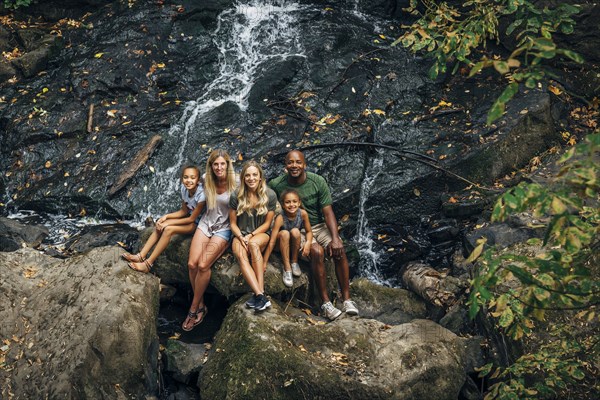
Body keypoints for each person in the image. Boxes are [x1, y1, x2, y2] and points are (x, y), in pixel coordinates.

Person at [269, 150, 359, 320]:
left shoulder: (317, 181)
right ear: (285, 166)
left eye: (298, 162)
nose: (294, 166)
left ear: (304, 164)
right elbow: (263, 199)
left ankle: (347, 299)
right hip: (297, 228)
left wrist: (335, 238)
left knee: (339, 249)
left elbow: (328, 212)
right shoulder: (277, 184)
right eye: (290, 162)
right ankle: (325, 304)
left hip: (318, 226)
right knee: (317, 252)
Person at [183, 150, 237, 331]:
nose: (219, 167)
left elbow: (256, 190)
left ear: (228, 165)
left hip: (224, 228)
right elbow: (189, 191)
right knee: (192, 264)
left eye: (222, 164)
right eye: (216, 164)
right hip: (206, 223)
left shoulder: (236, 182)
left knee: (203, 265)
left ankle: (193, 307)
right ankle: (201, 305)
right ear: (211, 166)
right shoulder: (206, 178)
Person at [122, 165, 204, 273]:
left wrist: (168, 224)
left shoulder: (202, 195)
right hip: (189, 219)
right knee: (161, 225)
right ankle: (140, 256)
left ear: (198, 180)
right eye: (186, 177)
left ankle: (148, 264)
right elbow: (184, 212)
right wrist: (166, 217)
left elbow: (191, 219)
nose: (189, 180)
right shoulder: (184, 188)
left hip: (199, 224)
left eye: (192, 178)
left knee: (168, 229)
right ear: (182, 178)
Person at [229, 160, 278, 312]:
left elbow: (267, 224)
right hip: (240, 234)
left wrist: (250, 235)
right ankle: (260, 296)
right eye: (248, 175)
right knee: (240, 255)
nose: (251, 178)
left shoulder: (270, 194)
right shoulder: (236, 195)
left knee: (253, 245)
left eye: (254, 175)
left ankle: (260, 292)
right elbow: (232, 223)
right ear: (243, 178)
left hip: (260, 233)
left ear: (260, 177)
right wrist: (241, 236)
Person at [263, 189, 313, 288]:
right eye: (288, 202)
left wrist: (308, 243)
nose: (291, 205)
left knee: (295, 231)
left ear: (299, 203)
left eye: (294, 201)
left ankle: (294, 262)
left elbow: (309, 231)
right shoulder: (280, 218)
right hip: (280, 243)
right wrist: (264, 262)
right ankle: (287, 268)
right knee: (285, 233)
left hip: (292, 244)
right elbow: (272, 241)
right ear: (282, 204)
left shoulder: (302, 214)